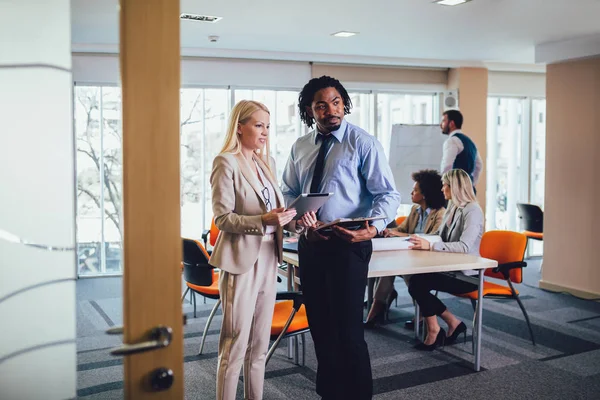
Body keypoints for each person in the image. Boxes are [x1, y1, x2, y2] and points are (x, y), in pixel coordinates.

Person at [281, 76, 401, 400]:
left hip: (349, 243)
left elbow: (388, 194)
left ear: (344, 103)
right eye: (322, 104)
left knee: (348, 332)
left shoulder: (362, 142)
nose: (331, 110)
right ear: (310, 109)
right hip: (311, 243)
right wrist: (297, 215)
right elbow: (289, 190)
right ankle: (330, 394)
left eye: (336, 102)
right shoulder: (300, 146)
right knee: (320, 326)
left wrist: (374, 229)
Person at [209, 100, 313, 400]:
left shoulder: (266, 165)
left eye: (267, 125)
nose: (265, 132)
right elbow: (223, 218)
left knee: (259, 346)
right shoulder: (225, 162)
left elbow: (276, 217)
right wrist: (263, 220)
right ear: (239, 127)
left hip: (270, 260)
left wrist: (296, 221)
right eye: (258, 125)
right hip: (241, 261)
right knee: (235, 345)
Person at [407, 169, 484, 351]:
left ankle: (439, 328)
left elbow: (464, 246)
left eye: (445, 185)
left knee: (418, 283)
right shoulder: (453, 207)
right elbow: (439, 235)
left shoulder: (473, 211)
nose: (442, 189)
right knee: (416, 281)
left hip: (467, 277)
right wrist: (421, 239)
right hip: (450, 270)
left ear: (455, 187)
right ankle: (448, 324)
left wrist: (431, 246)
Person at [364, 169, 446, 329]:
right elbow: (402, 229)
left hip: (428, 260)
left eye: (415, 190)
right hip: (411, 257)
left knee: (410, 275)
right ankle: (377, 308)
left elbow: (434, 238)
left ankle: (423, 311)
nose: (411, 192)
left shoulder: (439, 213)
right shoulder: (415, 211)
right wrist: (392, 232)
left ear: (424, 194)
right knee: (387, 269)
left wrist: (398, 233)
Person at [440, 109, 483, 188]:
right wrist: (472, 184)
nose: (441, 124)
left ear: (451, 123)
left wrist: (445, 185)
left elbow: (447, 166)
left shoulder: (452, 141)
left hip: (456, 189)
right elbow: (479, 166)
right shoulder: (470, 142)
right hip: (468, 189)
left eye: (443, 121)